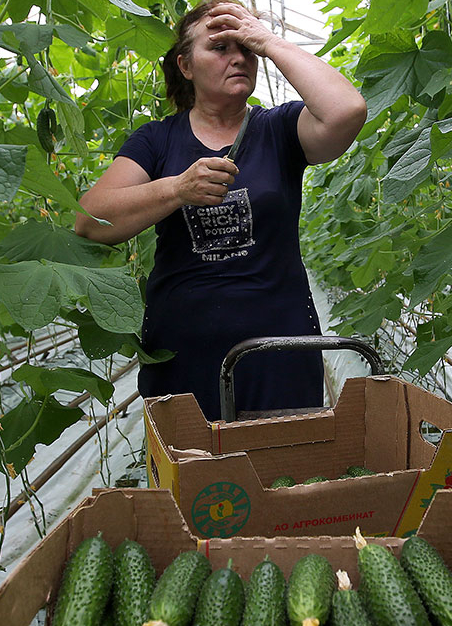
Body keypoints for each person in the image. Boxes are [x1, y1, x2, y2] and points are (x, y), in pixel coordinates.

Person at [74, 1, 366, 421]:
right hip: (182, 351)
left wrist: (266, 39)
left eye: (245, 49)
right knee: (196, 477)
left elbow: (347, 110)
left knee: (281, 470)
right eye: (220, 47)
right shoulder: (156, 140)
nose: (239, 58)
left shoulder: (280, 129)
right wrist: (176, 188)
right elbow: (90, 220)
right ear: (186, 66)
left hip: (279, 349)